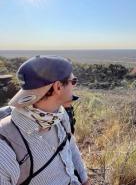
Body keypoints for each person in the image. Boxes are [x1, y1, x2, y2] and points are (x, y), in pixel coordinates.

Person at [0, 55, 90, 185]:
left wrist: (84, 179)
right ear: (58, 87)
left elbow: (70, 145)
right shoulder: (5, 146)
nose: (74, 86)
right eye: (73, 81)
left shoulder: (60, 114)